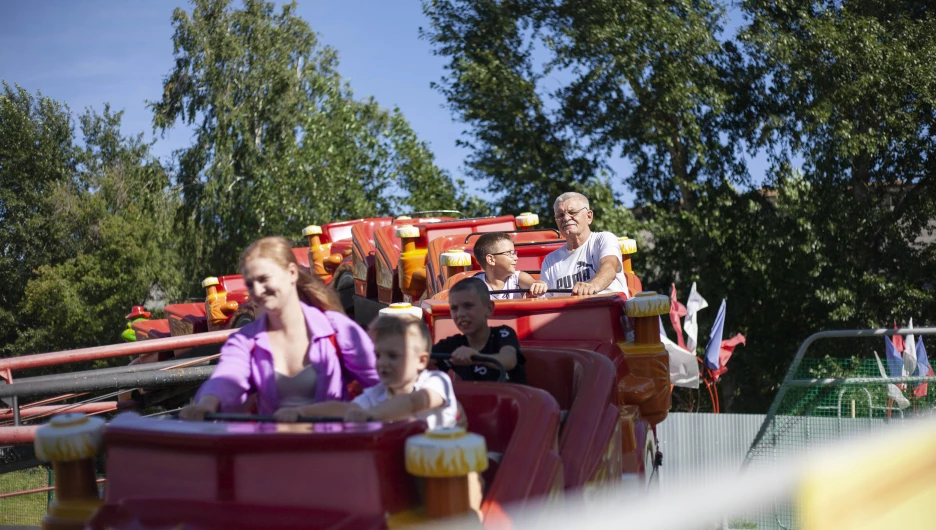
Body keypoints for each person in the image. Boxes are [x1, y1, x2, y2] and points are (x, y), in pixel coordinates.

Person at [180, 236, 379, 420]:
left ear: (292, 273)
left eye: (264, 279)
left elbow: (382, 382)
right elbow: (227, 378)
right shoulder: (245, 341)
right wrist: (207, 404)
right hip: (273, 451)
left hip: (335, 449)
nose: (257, 291)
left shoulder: (337, 329)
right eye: (250, 284)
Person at [274, 314, 461, 429]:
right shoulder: (376, 394)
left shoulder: (436, 381)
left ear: (421, 361)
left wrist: (371, 415)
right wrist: (300, 412)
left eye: (393, 356)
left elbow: (412, 402)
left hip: (447, 465)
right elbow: (344, 409)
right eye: (378, 355)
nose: (383, 363)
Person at [433, 278, 527, 384]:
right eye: (454, 308)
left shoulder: (503, 333)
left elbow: (509, 360)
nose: (460, 314)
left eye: (468, 306)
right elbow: (423, 358)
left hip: (512, 399)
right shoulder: (453, 344)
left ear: (489, 309)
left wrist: (476, 357)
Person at [541, 192, 629, 296]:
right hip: (567, 312)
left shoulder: (603, 239)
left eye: (572, 212)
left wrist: (592, 286)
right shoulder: (550, 261)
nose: (566, 218)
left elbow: (609, 266)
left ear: (589, 216)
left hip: (609, 310)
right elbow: (545, 301)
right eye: (560, 215)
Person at [472, 232, 547, 300]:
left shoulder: (517, 278)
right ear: (491, 259)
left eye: (514, 253)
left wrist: (539, 284)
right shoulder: (475, 285)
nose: (516, 258)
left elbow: (531, 282)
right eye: (509, 253)